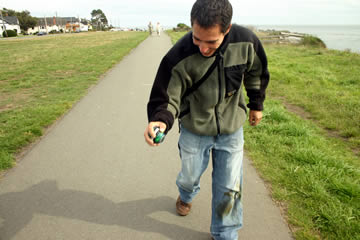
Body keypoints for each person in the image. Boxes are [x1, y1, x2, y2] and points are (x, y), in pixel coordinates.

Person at [144, 0, 270, 239]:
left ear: (228, 28)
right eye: (196, 38)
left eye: (211, 41)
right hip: (194, 129)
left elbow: (256, 72)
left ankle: (225, 233)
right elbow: (167, 95)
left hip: (232, 128)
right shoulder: (178, 55)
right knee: (189, 177)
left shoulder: (247, 42)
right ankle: (186, 194)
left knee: (229, 186)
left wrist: (256, 105)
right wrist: (160, 119)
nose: (202, 48)